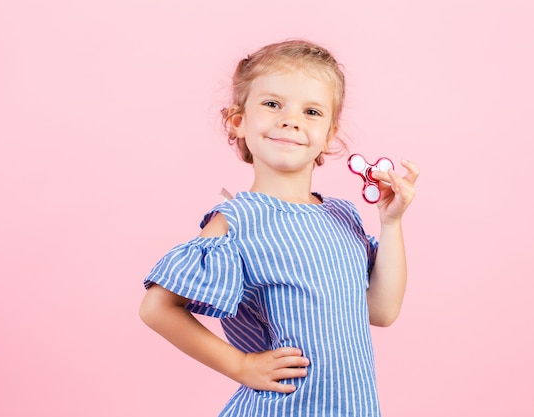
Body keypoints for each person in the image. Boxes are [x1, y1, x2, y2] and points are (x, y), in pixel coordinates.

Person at [139, 39, 419, 416]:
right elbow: (157, 306)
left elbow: (382, 311)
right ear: (239, 121)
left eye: (312, 111)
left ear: (330, 136)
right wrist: (241, 365)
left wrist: (391, 222)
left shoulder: (342, 216)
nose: (292, 120)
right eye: (273, 104)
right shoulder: (237, 221)